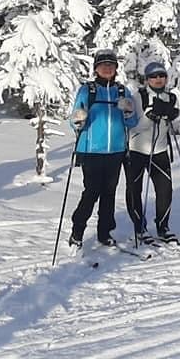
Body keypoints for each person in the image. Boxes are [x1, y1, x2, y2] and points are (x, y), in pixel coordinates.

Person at [67, 50, 139, 248]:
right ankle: (77, 231)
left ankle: (104, 232)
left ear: (116, 68)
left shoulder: (123, 91)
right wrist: (78, 119)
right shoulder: (87, 91)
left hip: (115, 151)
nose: (107, 68)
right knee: (91, 192)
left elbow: (132, 121)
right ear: (96, 68)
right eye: (103, 64)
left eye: (111, 64)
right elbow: (73, 121)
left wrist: (128, 112)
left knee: (109, 193)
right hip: (91, 150)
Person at [125, 62, 180, 244]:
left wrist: (172, 115)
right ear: (147, 79)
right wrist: (150, 117)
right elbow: (131, 126)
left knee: (165, 191)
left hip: (160, 151)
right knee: (134, 191)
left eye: (161, 76)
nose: (158, 79)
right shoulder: (138, 97)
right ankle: (139, 228)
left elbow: (172, 124)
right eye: (154, 76)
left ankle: (163, 228)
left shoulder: (171, 97)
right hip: (137, 150)